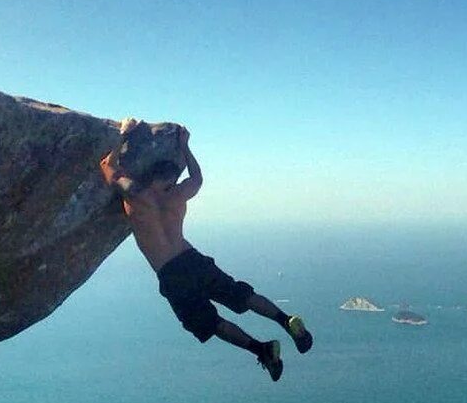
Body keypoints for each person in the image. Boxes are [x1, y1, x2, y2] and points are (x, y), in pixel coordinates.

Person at [99, 127, 312, 381]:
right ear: (170, 179)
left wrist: (123, 135)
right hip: (193, 259)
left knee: (209, 323)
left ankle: (262, 349)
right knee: (242, 295)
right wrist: (185, 145)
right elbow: (197, 177)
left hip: (171, 273)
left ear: (150, 177)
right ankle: (286, 320)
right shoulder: (179, 195)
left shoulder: (136, 195)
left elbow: (107, 166)